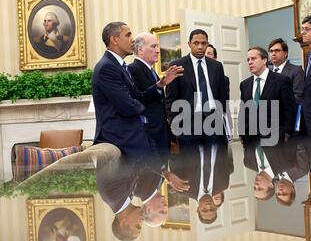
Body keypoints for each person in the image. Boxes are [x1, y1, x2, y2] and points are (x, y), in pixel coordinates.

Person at [91, 22, 183, 158]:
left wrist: (159, 85)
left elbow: (137, 97)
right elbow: (127, 106)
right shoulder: (107, 67)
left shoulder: (120, 66)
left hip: (133, 137)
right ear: (114, 39)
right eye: (128, 35)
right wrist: (146, 113)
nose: (132, 39)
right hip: (122, 138)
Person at [165, 29, 228, 147]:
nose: (200, 47)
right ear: (189, 44)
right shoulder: (177, 65)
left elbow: (222, 95)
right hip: (188, 124)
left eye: (203, 43)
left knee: (215, 162)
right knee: (191, 164)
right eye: (196, 43)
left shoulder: (217, 66)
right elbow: (170, 98)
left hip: (213, 122)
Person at [129, 33, 181, 158]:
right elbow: (138, 99)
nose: (158, 50)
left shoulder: (151, 71)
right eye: (153, 46)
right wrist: (159, 85)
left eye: (157, 46)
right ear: (140, 50)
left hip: (161, 134)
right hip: (148, 136)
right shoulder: (133, 69)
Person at [239, 46, 296, 143]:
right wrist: (243, 135)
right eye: (248, 59)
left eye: (253, 58)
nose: (250, 62)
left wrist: (287, 133)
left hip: (276, 139)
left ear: (264, 60)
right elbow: (244, 113)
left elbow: (289, 110)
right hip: (252, 140)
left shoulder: (281, 81)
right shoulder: (245, 84)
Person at [268, 38, 304, 105]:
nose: (273, 53)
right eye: (271, 51)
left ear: (285, 53)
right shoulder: (267, 73)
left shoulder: (296, 71)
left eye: (277, 50)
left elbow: (298, 96)